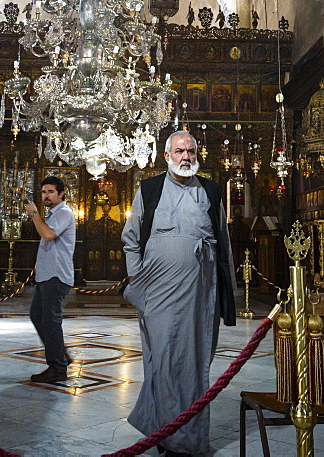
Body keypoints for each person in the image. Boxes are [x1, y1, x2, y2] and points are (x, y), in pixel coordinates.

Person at [121, 130, 237, 457]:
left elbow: (224, 244)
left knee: (192, 362)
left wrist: (229, 294)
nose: (186, 156)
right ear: (167, 155)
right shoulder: (150, 188)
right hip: (156, 290)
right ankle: (163, 431)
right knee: (161, 360)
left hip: (200, 291)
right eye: (179, 151)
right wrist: (136, 280)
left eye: (191, 151)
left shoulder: (211, 190)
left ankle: (186, 440)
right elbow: (131, 239)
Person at [24, 176, 77, 383]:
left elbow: (48, 235)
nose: (46, 195)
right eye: (44, 192)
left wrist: (34, 214)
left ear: (61, 194)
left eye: (51, 192)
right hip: (47, 275)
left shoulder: (63, 212)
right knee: (38, 316)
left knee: (51, 322)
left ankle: (57, 369)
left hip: (56, 275)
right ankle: (60, 355)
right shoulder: (53, 214)